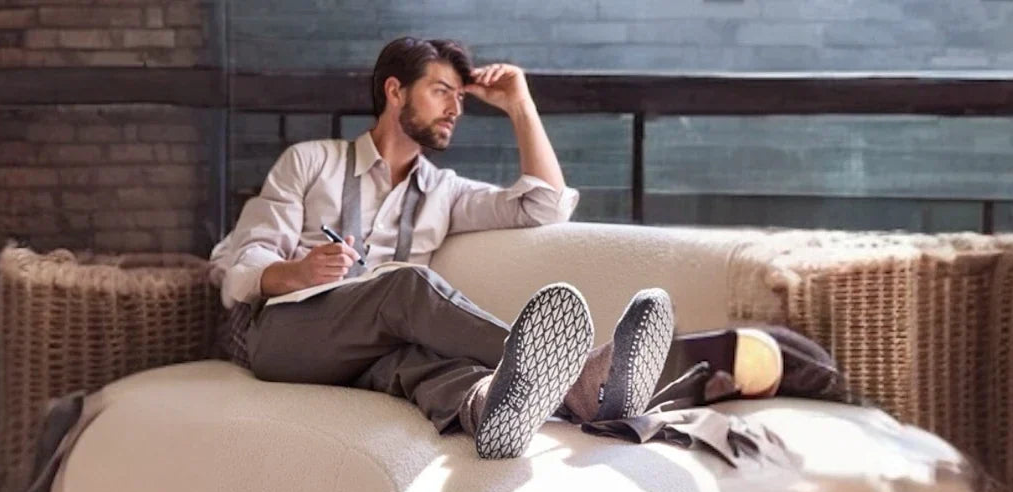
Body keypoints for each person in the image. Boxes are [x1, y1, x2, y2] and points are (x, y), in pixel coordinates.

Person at [208, 37, 676, 459]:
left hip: (369, 351)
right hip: (283, 335)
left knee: (417, 363)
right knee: (404, 286)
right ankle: (578, 380)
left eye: (460, 96)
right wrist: (297, 272)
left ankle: (485, 412)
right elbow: (243, 265)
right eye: (440, 91)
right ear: (395, 91)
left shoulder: (444, 191)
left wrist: (519, 104)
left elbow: (545, 207)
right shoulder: (311, 161)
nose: (455, 107)